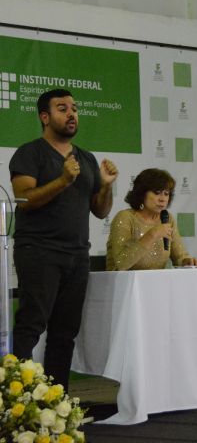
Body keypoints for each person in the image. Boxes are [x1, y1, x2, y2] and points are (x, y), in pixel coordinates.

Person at [9, 88, 119, 390]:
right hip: (39, 251)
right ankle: (18, 399)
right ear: (45, 117)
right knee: (31, 326)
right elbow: (24, 199)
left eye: (74, 108)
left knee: (65, 332)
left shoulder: (85, 158)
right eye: (62, 108)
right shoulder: (30, 153)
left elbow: (100, 210)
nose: (71, 114)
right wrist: (62, 181)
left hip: (76, 255)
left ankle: (57, 400)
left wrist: (106, 186)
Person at [106, 168, 197, 270]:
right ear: (142, 193)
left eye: (166, 194)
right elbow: (121, 264)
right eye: (157, 193)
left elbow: (179, 257)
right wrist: (152, 234)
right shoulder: (125, 217)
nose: (162, 199)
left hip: (156, 283)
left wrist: (187, 262)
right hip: (124, 284)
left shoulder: (167, 219)